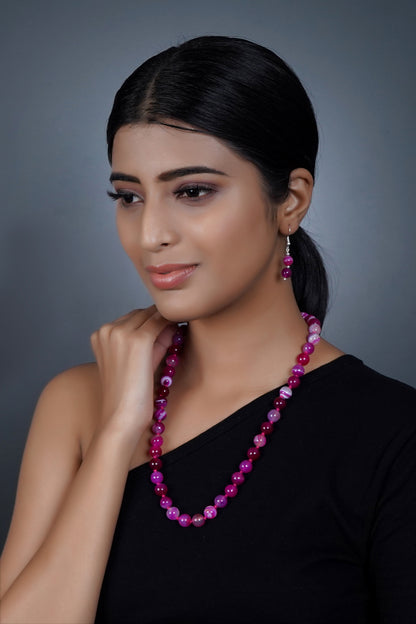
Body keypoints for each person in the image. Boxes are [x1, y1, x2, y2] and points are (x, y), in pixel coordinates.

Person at [0, 35, 415, 624]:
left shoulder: (393, 435)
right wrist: (118, 432)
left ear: (291, 201)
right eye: (129, 197)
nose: (151, 235)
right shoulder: (77, 405)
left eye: (192, 192)